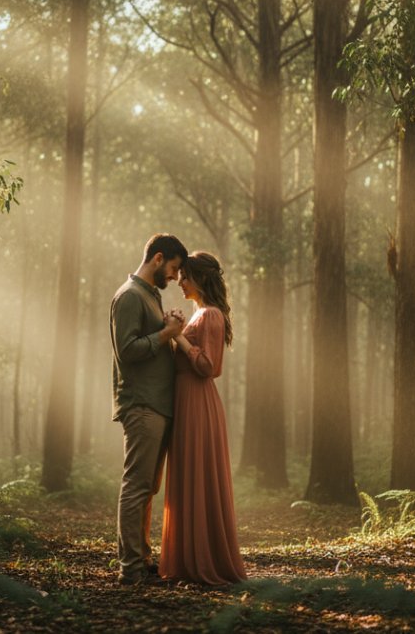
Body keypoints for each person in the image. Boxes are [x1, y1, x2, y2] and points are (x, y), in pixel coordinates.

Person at [159, 250, 247, 586]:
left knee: (197, 474)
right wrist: (176, 329)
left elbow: (210, 366)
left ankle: (202, 560)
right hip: (188, 400)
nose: (180, 281)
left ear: (201, 278)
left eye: (185, 276)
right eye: (179, 275)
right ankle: (187, 559)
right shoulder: (201, 314)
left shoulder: (210, 314)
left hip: (197, 401)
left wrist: (177, 335)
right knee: (188, 474)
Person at [110, 233, 189, 586]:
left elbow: (156, 340)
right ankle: (130, 569)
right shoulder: (129, 295)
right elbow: (127, 350)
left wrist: (170, 326)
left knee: (147, 489)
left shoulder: (150, 296)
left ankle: (140, 559)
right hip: (142, 404)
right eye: (173, 268)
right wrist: (166, 334)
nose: (175, 276)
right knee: (137, 486)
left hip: (157, 404)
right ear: (158, 258)